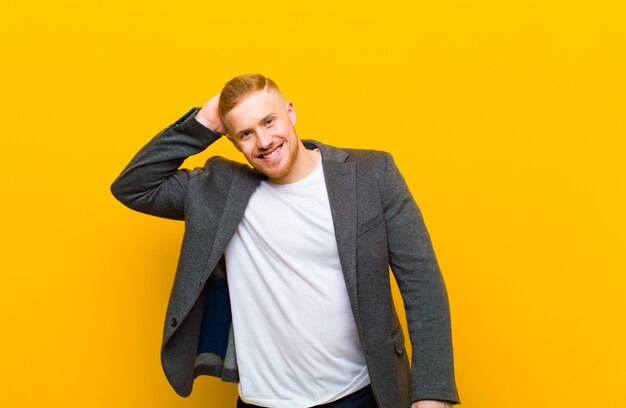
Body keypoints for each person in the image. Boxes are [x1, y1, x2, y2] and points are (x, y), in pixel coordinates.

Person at [111, 74, 460, 408]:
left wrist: (432, 391)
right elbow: (133, 186)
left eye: (269, 121)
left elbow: (422, 285)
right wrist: (202, 123)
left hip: (359, 394)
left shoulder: (371, 174)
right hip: (263, 402)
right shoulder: (218, 192)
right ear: (231, 141)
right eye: (245, 133)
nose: (263, 142)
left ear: (290, 112)